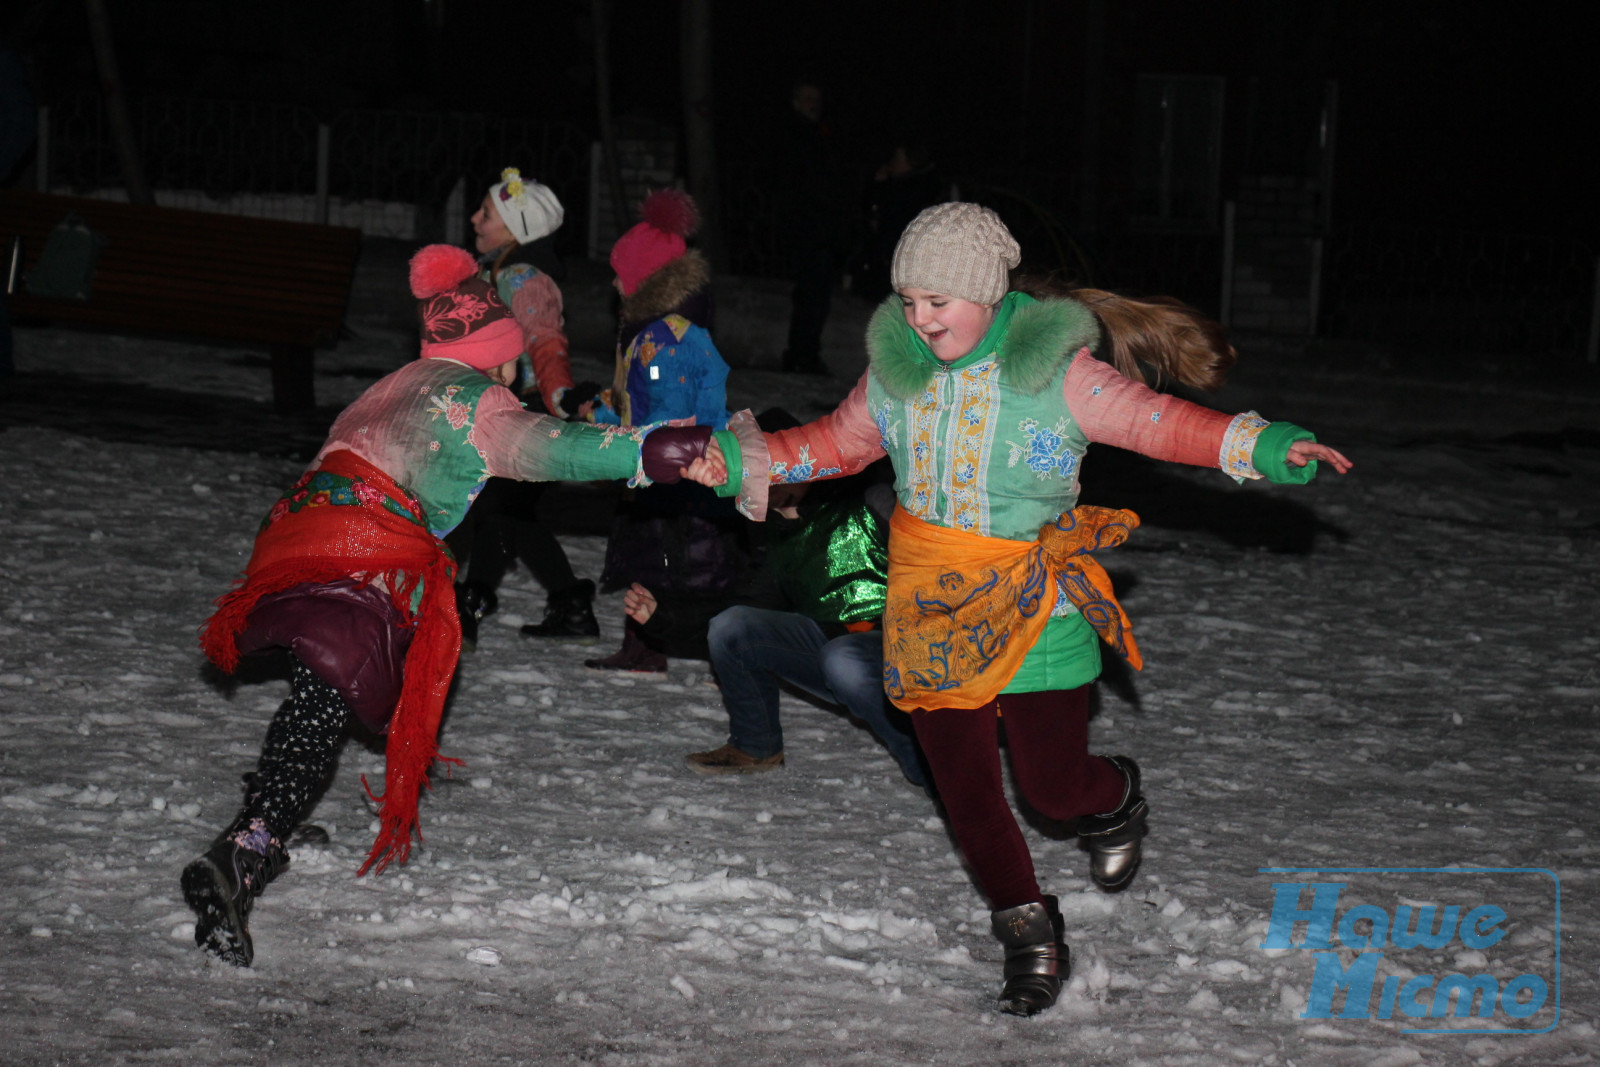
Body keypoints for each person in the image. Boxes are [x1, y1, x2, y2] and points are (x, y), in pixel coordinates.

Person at [685, 203, 1352, 1016]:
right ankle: (1029, 932)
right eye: (910, 300)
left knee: (1052, 787)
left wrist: (1262, 444)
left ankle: (1114, 796)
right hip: (930, 606)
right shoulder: (895, 373)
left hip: (1035, 600)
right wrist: (734, 458)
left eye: (940, 301)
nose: (922, 320)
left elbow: (1157, 423)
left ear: (990, 295)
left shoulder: (1059, 373)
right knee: (966, 790)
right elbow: (832, 443)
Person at [183, 243, 737, 967]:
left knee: (318, 688)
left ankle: (271, 815)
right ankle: (244, 850)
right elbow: (568, 451)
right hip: (363, 549)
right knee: (324, 700)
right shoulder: (482, 405)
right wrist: (668, 451)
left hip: (294, 533)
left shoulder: (399, 380)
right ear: (498, 356)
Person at [681, 478, 929, 790]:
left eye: (772, 469)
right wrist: (660, 616)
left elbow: (932, 571)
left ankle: (929, 763)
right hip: (832, 649)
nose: (762, 483)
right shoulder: (771, 526)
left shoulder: (869, 497)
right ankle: (755, 746)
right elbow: (750, 601)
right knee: (732, 627)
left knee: (843, 659)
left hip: (905, 647)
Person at [583, 188, 739, 673]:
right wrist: (606, 412)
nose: (613, 280)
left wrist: (620, 433)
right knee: (652, 557)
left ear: (645, 279)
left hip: (676, 471)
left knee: (673, 561)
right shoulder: (656, 331)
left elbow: (666, 415)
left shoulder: (663, 341)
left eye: (620, 272)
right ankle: (644, 644)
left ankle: (711, 652)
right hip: (668, 465)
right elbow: (643, 405)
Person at [448, 167, 601, 647]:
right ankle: (569, 604)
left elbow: (546, 340)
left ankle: (472, 599)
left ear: (518, 229)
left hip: (527, 411)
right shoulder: (501, 270)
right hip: (506, 406)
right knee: (508, 513)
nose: (474, 218)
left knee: (497, 507)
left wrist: (558, 394)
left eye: (487, 212)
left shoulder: (523, 276)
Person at [777, 80, 849, 376]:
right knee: (810, 297)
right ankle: (801, 354)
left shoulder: (817, 134)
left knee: (815, 296)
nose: (814, 104)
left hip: (817, 230)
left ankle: (804, 353)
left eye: (817, 98)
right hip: (808, 231)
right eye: (808, 98)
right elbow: (801, 188)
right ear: (795, 101)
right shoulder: (796, 136)